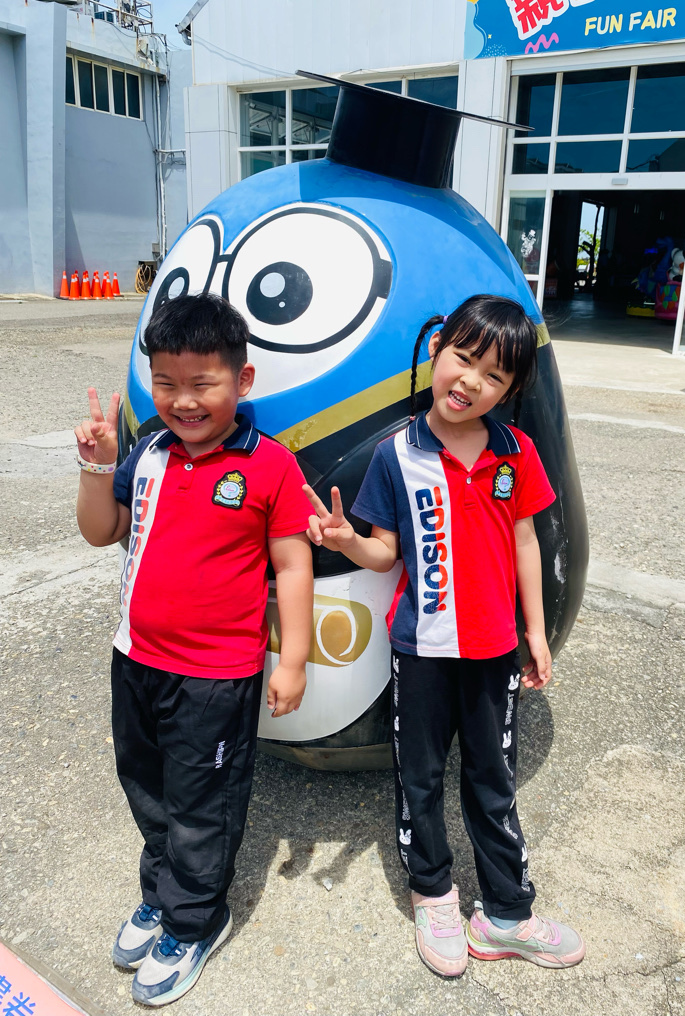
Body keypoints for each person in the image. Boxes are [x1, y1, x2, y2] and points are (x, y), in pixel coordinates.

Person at [304, 295, 585, 978]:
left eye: (494, 376)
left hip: (493, 653)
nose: (471, 381)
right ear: (437, 350)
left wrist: (535, 632)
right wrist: (346, 542)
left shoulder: (516, 453)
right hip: (421, 652)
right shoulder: (395, 454)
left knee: (493, 779)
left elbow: (525, 541)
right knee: (421, 778)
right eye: (464, 358)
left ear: (509, 391)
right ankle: (433, 894)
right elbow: (385, 553)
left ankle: (507, 915)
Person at [75, 293, 314, 1007]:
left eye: (202, 383)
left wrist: (293, 660)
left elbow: (292, 565)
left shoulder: (269, 465)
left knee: (202, 803)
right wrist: (96, 468)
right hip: (135, 658)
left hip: (215, 677)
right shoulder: (148, 451)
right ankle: (162, 891)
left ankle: (194, 920)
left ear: (242, 380)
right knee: (145, 786)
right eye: (166, 383)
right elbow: (101, 531)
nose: (183, 401)